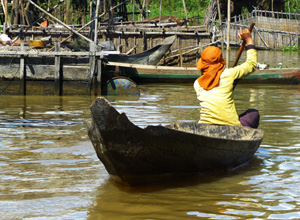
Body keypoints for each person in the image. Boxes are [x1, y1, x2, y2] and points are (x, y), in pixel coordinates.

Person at [194, 29, 260, 128]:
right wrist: (249, 40)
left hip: (206, 125)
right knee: (253, 113)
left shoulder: (197, 84)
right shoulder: (229, 75)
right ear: (221, 62)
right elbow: (251, 65)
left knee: (200, 120)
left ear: (203, 66)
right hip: (232, 127)